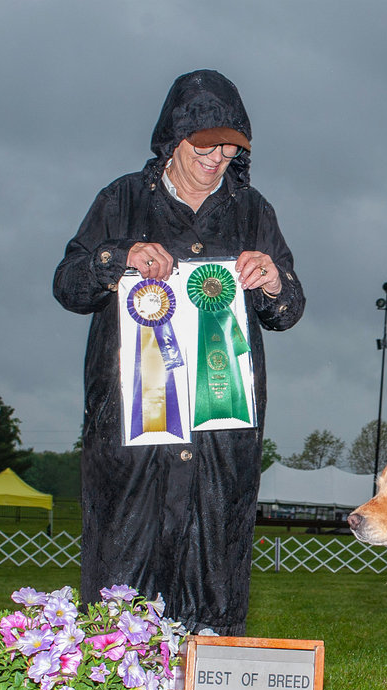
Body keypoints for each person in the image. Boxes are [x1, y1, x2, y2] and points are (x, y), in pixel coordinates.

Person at [54, 70, 305, 635]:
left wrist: (273, 282)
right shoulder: (120, 200)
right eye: (204, 144)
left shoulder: (254, 210)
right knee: (122, 581)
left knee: (214, 575)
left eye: (230, 147)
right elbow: (68, 284)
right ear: (173, 139)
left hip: (220, 442)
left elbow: (289, 308)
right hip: (132, 439)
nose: (217, 157)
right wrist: (116, 258)